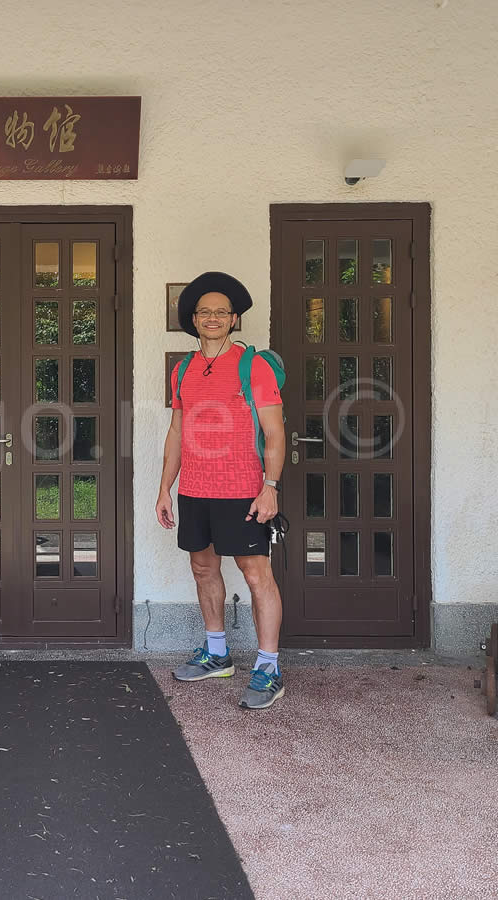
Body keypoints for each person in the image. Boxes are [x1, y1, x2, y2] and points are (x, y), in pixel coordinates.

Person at [155, 271, 287, 709]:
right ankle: (217, 653)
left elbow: (274, 433)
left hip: (244, 490)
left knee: (256, 575)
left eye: (221, 312)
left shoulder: (254, 365)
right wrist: (164, 489)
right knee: (203, 569)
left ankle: (268, 668)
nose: (212, 318)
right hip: (196, 489)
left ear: (234, 320)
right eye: (204, 312)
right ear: (193, 320)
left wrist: (270, 487)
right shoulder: (183, 370)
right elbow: (176, 431)